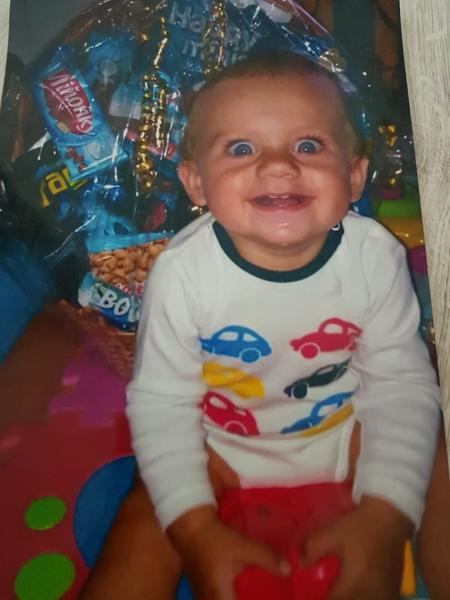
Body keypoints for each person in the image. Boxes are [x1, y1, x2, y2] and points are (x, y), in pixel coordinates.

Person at [81, 51, 449, 600]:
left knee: (434, 456)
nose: (278, 166)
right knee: (148, 510)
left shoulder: (375, 258)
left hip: (346, 431)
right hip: (220, 446)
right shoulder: (183, 274)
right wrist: (196, 529)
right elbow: (163, 405)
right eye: (241, 148)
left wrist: (384, 515)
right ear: (196, 183)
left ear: (354, 175)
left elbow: (398, 387)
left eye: (308, 145)